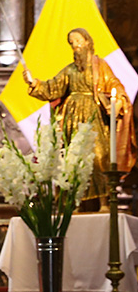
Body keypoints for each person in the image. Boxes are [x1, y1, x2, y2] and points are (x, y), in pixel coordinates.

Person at [23, 28, 136, 204]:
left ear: (87, 42)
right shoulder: (69, 70)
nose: (75, 46)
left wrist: (119, 101)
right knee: (73, 159)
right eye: (71, 43)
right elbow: (53, 88)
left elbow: (115, 85)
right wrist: (33, 82)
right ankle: (73, 203)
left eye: (77, 41)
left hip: (94, 117)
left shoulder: (101, 66)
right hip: (72, 119)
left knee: (99, 157)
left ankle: (104, 202)